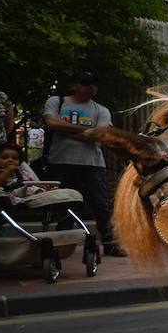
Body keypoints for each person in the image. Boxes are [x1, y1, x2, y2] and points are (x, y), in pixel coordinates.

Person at [42, 72, 124, 255]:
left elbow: (101, 134)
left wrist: (67, 130)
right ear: (73, 85)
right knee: (65, 203)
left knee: (101, 204)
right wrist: (87, 132)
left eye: (95, 83)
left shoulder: (101, 109)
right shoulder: (57, 102)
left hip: (93, 163)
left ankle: (110, 243)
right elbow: (52, 123)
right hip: (61, 162)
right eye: (86, 83)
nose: (92, 87)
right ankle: (63, 244)